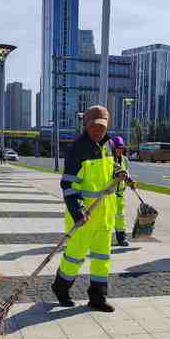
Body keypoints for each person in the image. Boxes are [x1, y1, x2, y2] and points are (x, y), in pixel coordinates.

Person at [52, 105, 128, 312]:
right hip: (84, 216)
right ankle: (61, 288)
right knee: (75, 256)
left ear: (107, 126)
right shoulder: (79, 149)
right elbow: (67, 184)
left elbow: (113, 167)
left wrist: (120, 173)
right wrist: (77, 210)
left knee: (102, 258)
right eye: (94, 126)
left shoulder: (110, 145)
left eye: (101, 127)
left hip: (104, 215)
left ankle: (97, 298)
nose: (97, 131)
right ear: (85, 125)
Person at [111, 136, 136, 246]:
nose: (120, 150)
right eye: (117, 148)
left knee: (120, 217)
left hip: (119, 194)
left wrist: (131, 182)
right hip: (109, 194)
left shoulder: (125, 159)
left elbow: (126, 173)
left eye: (121, 148)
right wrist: (119, 175)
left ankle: (121, 239)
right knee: (104, 218)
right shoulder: (108, 159)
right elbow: (115, 171)